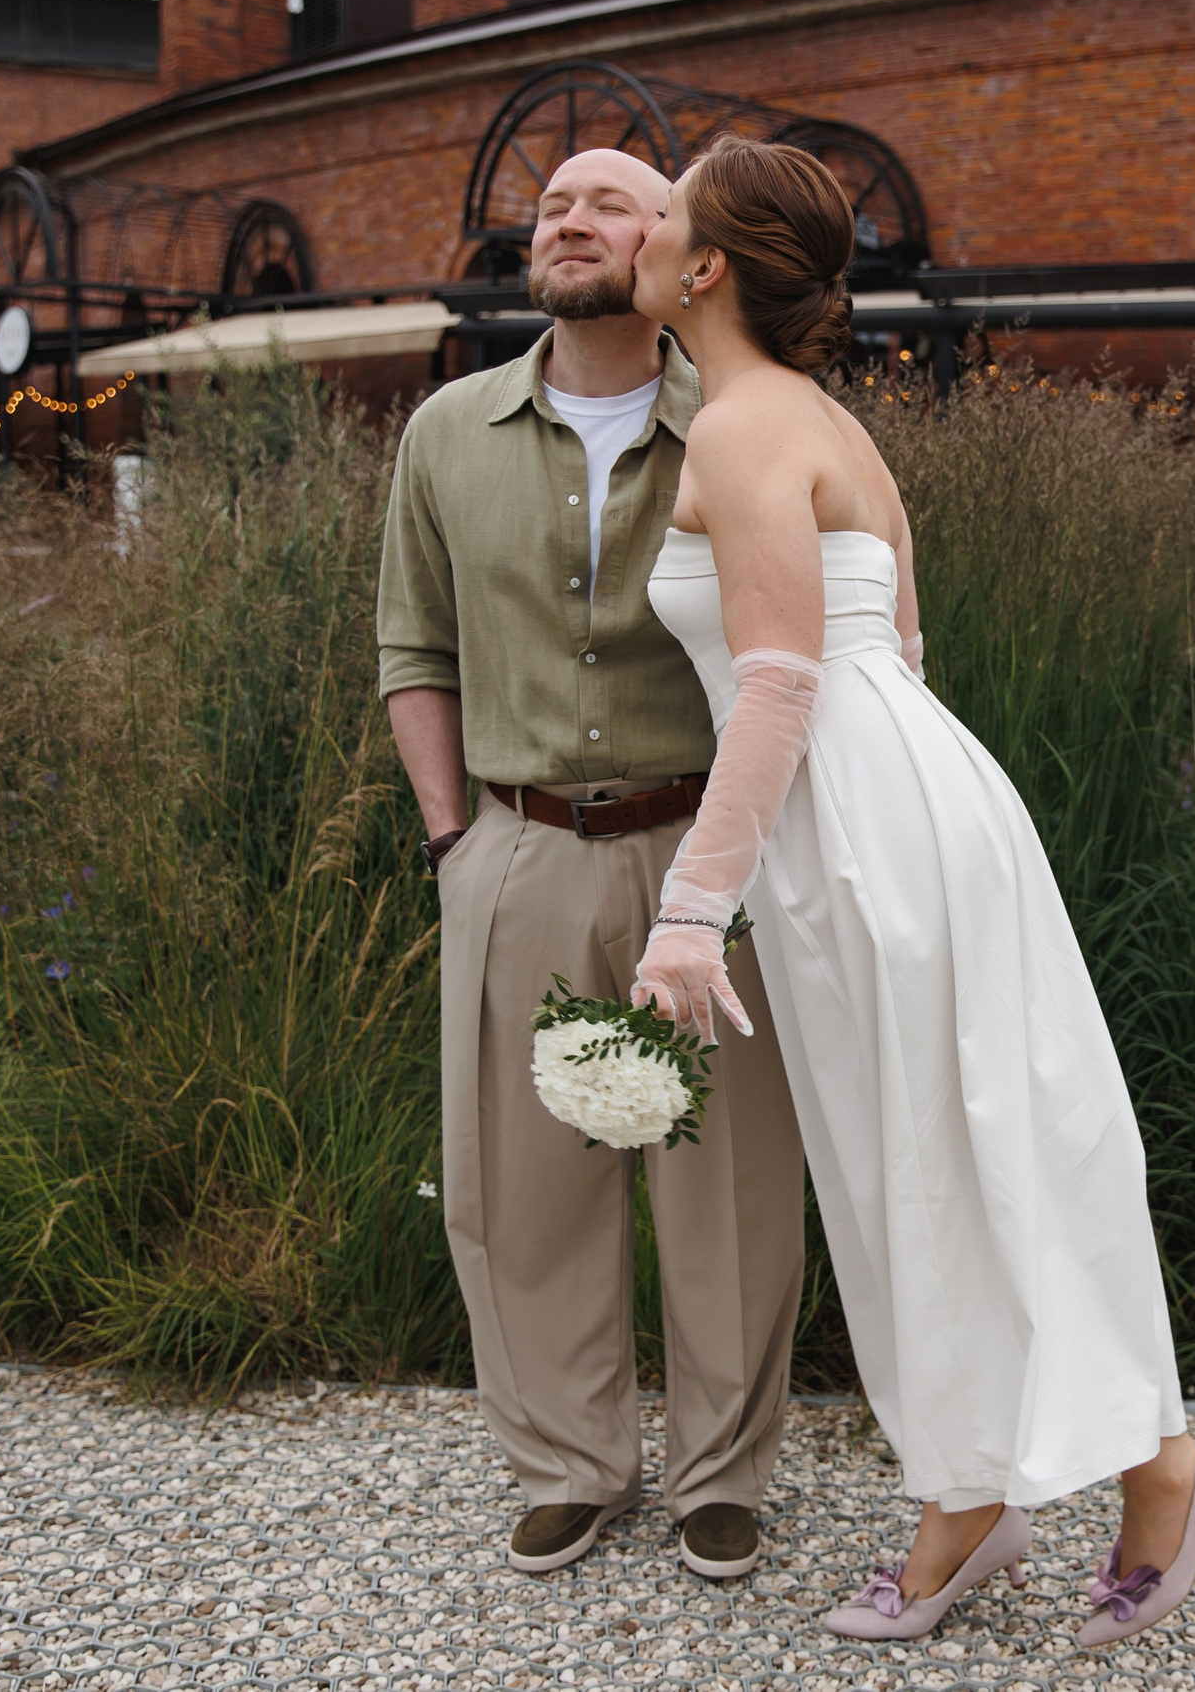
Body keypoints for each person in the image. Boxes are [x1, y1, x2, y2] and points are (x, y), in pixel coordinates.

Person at [624, 134, 1195, 1649]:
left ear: (704, 269)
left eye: (664, 213)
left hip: (858, 819)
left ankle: (1154, 1470)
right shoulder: (821, 421)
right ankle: (969, 1498)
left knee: (940, 1157)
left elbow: (779, 676)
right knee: (956, 1153)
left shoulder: (738, 430)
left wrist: (692, 908)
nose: (640, 231)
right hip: (911, 800)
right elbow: (894, 653)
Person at [377, 147, 807, 1585]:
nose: (569, 219)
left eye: (613, 202)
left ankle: (720, 1476)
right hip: (515, 846)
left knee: (727, 1179)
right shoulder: (446, 430)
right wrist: (455, 840)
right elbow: (413, 652)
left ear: (683, 250)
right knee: (523, 1176)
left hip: (708, 854)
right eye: (555, 202)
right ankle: (569, 1462)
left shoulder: (745, 422)